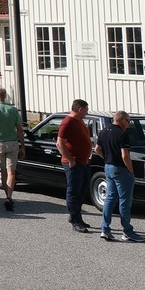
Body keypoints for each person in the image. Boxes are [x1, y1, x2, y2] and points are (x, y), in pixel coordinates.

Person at [98, 109, 144, 243]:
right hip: (121, 169)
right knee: (125, 200)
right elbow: (125, 155)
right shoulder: (122, 134)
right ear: (123, 120)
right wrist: (131, 171)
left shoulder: (104, 131)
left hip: (108, 167)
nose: (128, 124)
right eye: (128, 121)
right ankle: (127, 231)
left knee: (110, 198)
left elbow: (97, 149)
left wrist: (107, 158)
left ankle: (105, 229)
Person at [57, 99, 94, 232]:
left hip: (83, 162)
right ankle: (75, 219)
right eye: (86, 109)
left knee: (82, 190)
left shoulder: (80, 121)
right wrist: (70, 160)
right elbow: (60, 143)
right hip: (73, 163)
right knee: (73, 191)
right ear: (80, 109)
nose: (87, 112)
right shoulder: (68, 122)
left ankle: (77, 216)